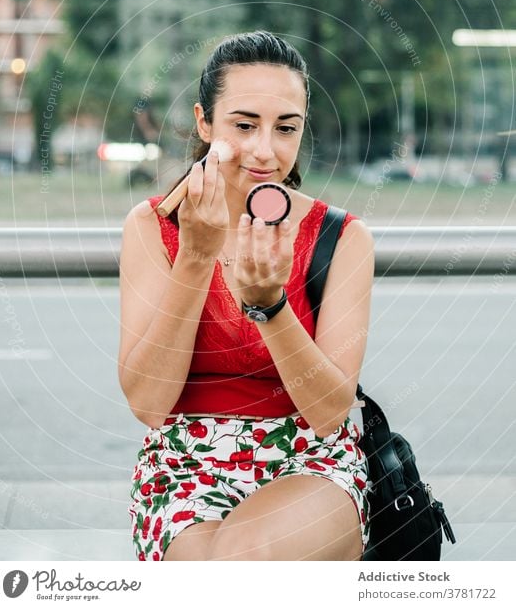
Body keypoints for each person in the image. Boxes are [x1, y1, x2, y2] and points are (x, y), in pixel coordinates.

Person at [119, 30, 374, 561]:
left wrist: (271, 307)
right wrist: (196, 255)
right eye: (243, 125)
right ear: (204, 121)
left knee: (241, 563)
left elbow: (330, 412)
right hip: (184, 461)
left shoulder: (340, 237)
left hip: (310, 457)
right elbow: (147, 403)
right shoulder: (153, 227)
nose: (265, 150)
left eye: (286, 128)